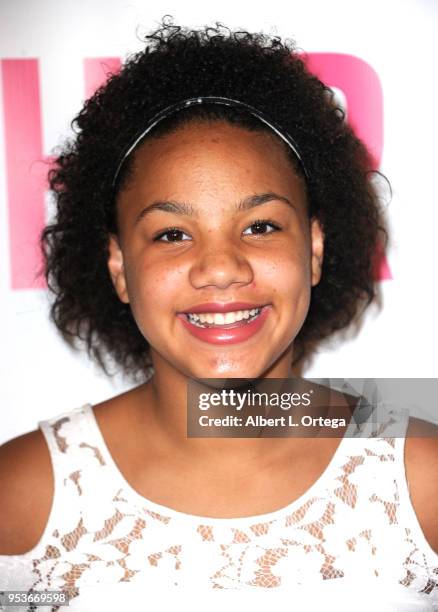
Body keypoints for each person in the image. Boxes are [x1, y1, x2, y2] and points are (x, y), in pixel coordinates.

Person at [0, 18, 437, 611]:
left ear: (313, 248)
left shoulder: (423, 481)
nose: (221, 267)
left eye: (260, 226)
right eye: (173, 233)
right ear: (119, 267)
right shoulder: (20, 497)